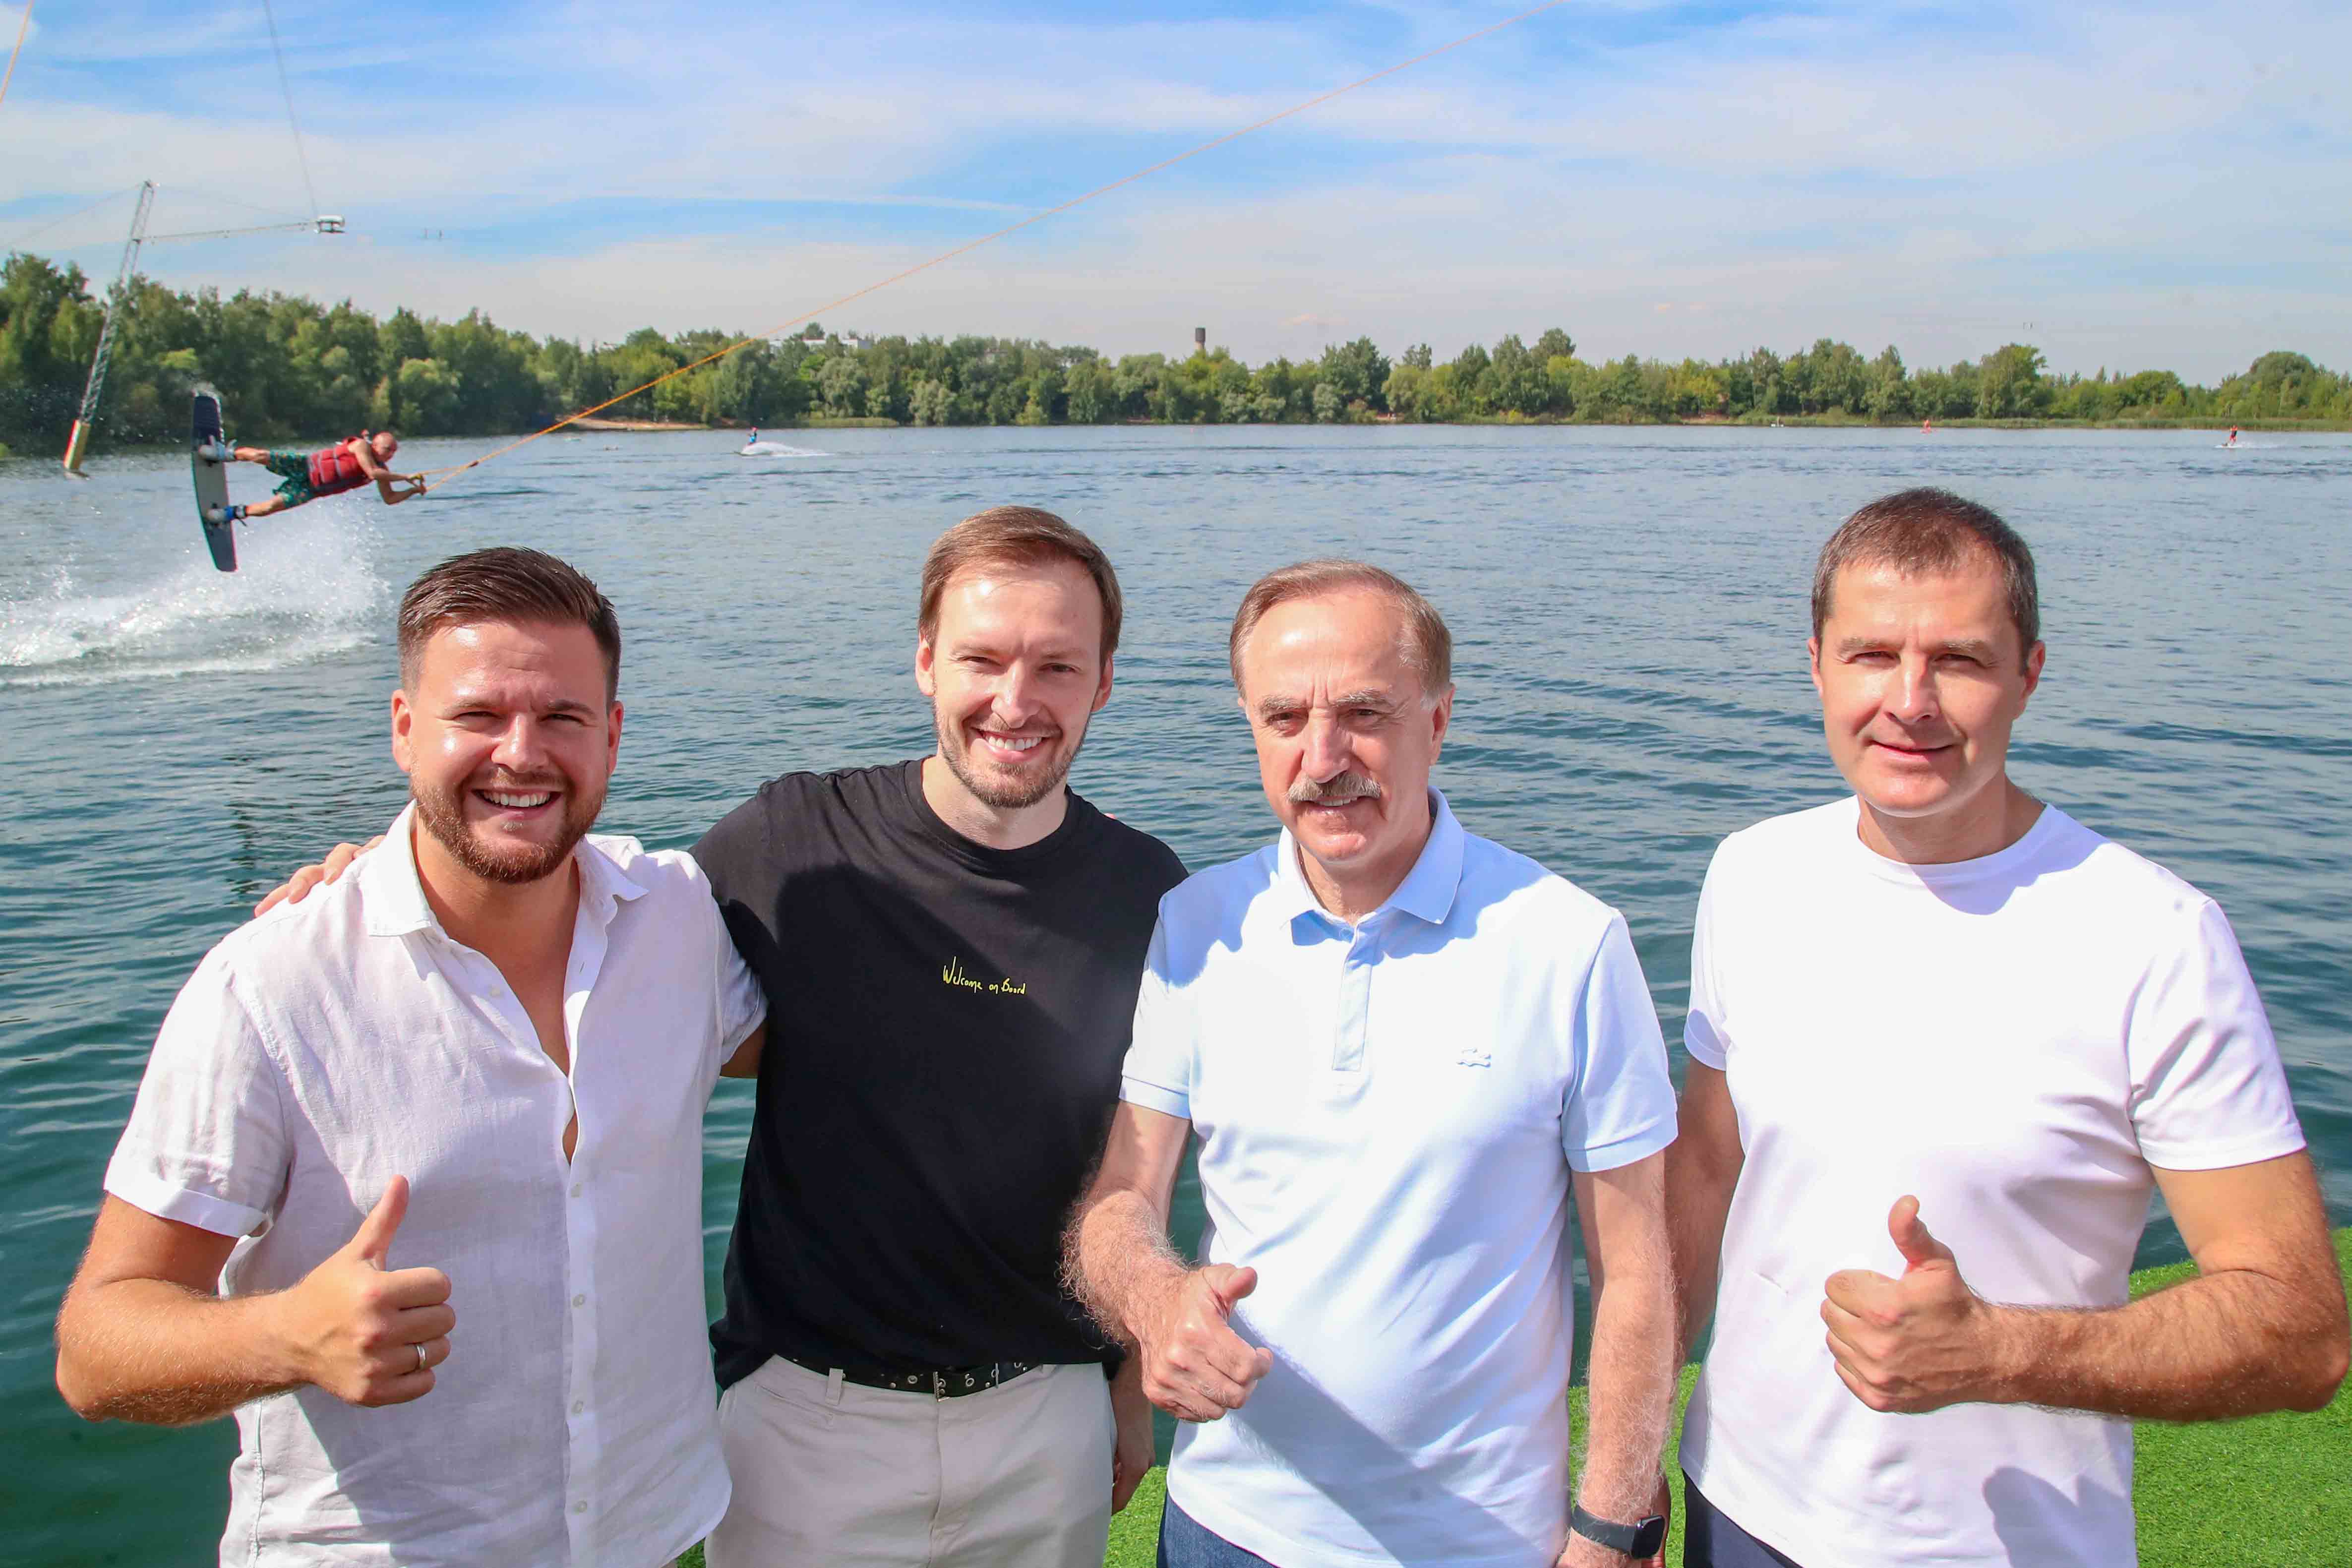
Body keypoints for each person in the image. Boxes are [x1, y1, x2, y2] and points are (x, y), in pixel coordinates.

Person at [260, 507, 1181, 1568]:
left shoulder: (1148, 893)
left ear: (1103, 682)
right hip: (807, 1423)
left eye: (1057, 666)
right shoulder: (794, 840)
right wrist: (395, 872)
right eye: (982, 659)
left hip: (1046, 1417)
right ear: (927, 663)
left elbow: (1141, 1159)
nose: (1015, 701)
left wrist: (1124, 1381)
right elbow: (579, 913)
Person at [1665, 488, 2348, 1568]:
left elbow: (2299, 1328)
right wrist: (1625, 1456)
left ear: (2028, 674)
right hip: (1737, 1504)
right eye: (1870, 655)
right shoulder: (1752, 872)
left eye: (1959, 661)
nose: (1908, 702)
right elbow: (1707, 1166)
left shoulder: (2154, 937)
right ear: (1816, 667)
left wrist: (1997, 1353)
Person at [56, 546, 767, 1566]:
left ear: (612, 735)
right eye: (477, 715)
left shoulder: (677, 919)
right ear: (403, 729)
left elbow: (845, 1039)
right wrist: (287, 1336)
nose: (520, 753)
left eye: (561, 717)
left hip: (652, 1531)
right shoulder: (273, 985)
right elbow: (96, 1351)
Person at [1068, 560, 1681, 1568]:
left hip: (1480, 1544)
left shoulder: (1568, 944)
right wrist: (1151, 1298)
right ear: (1249, 725)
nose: (1322, 757)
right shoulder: (1197, 924)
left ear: (1436, 720)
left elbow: (1634, 1267)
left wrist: (1611, 1523)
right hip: (1224, 1528)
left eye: (1363, 713)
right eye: (1283, 718)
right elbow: (1123, 1195)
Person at [210, 429, 425, 524]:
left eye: (393, 452)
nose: (390, 454)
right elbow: (372, 473)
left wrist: (413, 490)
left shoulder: (384, 471)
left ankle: (231, 513)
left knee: (271, 507)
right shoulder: (361, 446)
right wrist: (405, 476)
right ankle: (225, 454)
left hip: (312, 489)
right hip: (305, 466)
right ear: (375, 444)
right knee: (261, 456)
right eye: (388, 449)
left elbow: (390, 499)